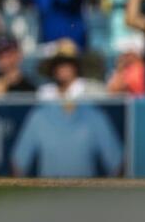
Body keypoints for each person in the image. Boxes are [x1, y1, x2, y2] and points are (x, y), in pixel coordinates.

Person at [10, 43, 123, 178]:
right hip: (49, 194)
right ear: (53, 68)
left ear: (76, 66)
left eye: (68, 63)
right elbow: (19, 161)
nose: (63, 68)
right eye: (59, 64)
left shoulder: (93, 108)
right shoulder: (40, 111)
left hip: (84, 195)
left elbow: (117, 162)